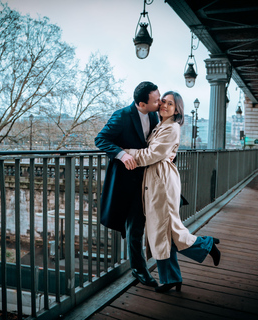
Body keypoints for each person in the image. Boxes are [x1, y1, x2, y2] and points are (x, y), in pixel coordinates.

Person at [124, 91, 221, 293]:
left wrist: (125, 152)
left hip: (162, 183)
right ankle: (171, 278)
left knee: (167, 231)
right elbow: (156, 153)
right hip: (155, 180)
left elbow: (151, 155)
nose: (165, 106)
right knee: (163, 233)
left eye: (170, 104)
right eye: (163, 102)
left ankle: (206, 244)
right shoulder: (160, 125)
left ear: (177, 109)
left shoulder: (172, 128)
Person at [94, 81, 161, 287]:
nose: (160, 102)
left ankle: (146, 265)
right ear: (142, 103)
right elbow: (100, 139)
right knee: (135, 226)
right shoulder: (122, 116)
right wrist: (122, 155)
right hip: (127, 182)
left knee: (148, 223)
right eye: (156, 99)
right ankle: (139, 270)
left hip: (148, 179)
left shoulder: (153, 114)